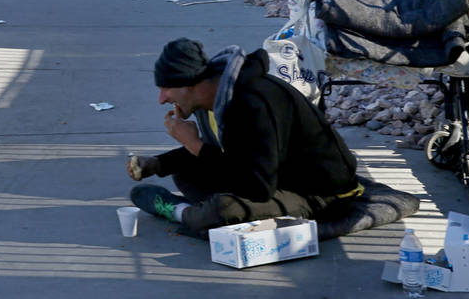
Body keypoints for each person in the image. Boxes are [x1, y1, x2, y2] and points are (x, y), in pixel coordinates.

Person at [126, 38, 362, 237]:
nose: (162, 99)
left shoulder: (252, 104)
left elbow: (258, 188)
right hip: (272, 177)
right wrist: (157, 163)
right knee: (184, 169)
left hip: (321, 194)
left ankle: (181, 213)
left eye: (166, 89)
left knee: (223, 207)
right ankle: (206, 213)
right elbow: (230, 155)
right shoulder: (209, 99)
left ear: (191, 84)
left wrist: (194, 144)